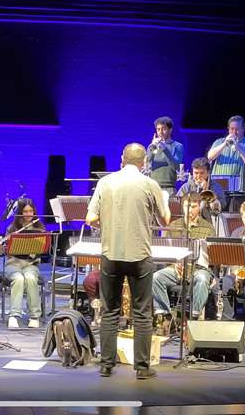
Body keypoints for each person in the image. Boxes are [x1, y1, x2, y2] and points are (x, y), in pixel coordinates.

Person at [86, 143, 169, 380]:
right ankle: (142, 368)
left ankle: (106, 365)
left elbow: (90, 218)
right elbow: (165, 221)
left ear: (122, 159)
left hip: (111, 254)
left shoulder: (105, 182)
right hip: (139, 256)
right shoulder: (150, 184)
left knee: (110, 310)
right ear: (144, 162)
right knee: (142, 313)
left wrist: (109, 224)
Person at [152, 193, 216, 333]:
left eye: (193, 207)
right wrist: (174, 264)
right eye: (187, 206)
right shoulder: (173, 226)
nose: (190, 210)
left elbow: (212, 256)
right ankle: (166, 316)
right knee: (157, 277)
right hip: (177, 268)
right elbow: (166, 252)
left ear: (199, 207)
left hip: (198, 268)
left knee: (202, 278)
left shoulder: (208, 228)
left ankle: (193, 317)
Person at [4, 198, 47, 329]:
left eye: (31, 211)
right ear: (20, 213)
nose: (29, 214)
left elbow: (43, 250)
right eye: (25, 211)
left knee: (30, 278)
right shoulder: (12, 228)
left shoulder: (40, 229)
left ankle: (34, 316)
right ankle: (14, 315)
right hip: (13, 264)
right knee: (18, 279)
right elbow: (6, 251)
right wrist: (2, 247)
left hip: (31, 264)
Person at [207, 115, 245, 194]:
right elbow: (210, 156)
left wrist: (239, 148)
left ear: (243, 128)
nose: (234, 132)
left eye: (237, 129)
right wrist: (225, 143)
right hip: (219, 190)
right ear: (228, 128)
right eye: (232, 129)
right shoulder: (219, 142)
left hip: (240, 191)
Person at [175, 157, 227, 222]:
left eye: (202, 173)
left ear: (208, 173)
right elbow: (177, 204)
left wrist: (207, 192)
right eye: (196, 173)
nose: (198, 176)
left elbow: (220, 207)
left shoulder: (215, 187)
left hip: (209, 223)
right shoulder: (186, 187)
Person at [145, 116, 184, 195]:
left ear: (170, 130)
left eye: (164, 129)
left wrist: (165, 149)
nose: (160, 132)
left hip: (169, 187)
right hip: (153, 186)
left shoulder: (177, 146)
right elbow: (146, 163)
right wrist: (152, 146)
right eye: (158, 129)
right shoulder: (153, 146)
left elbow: (176, 166)